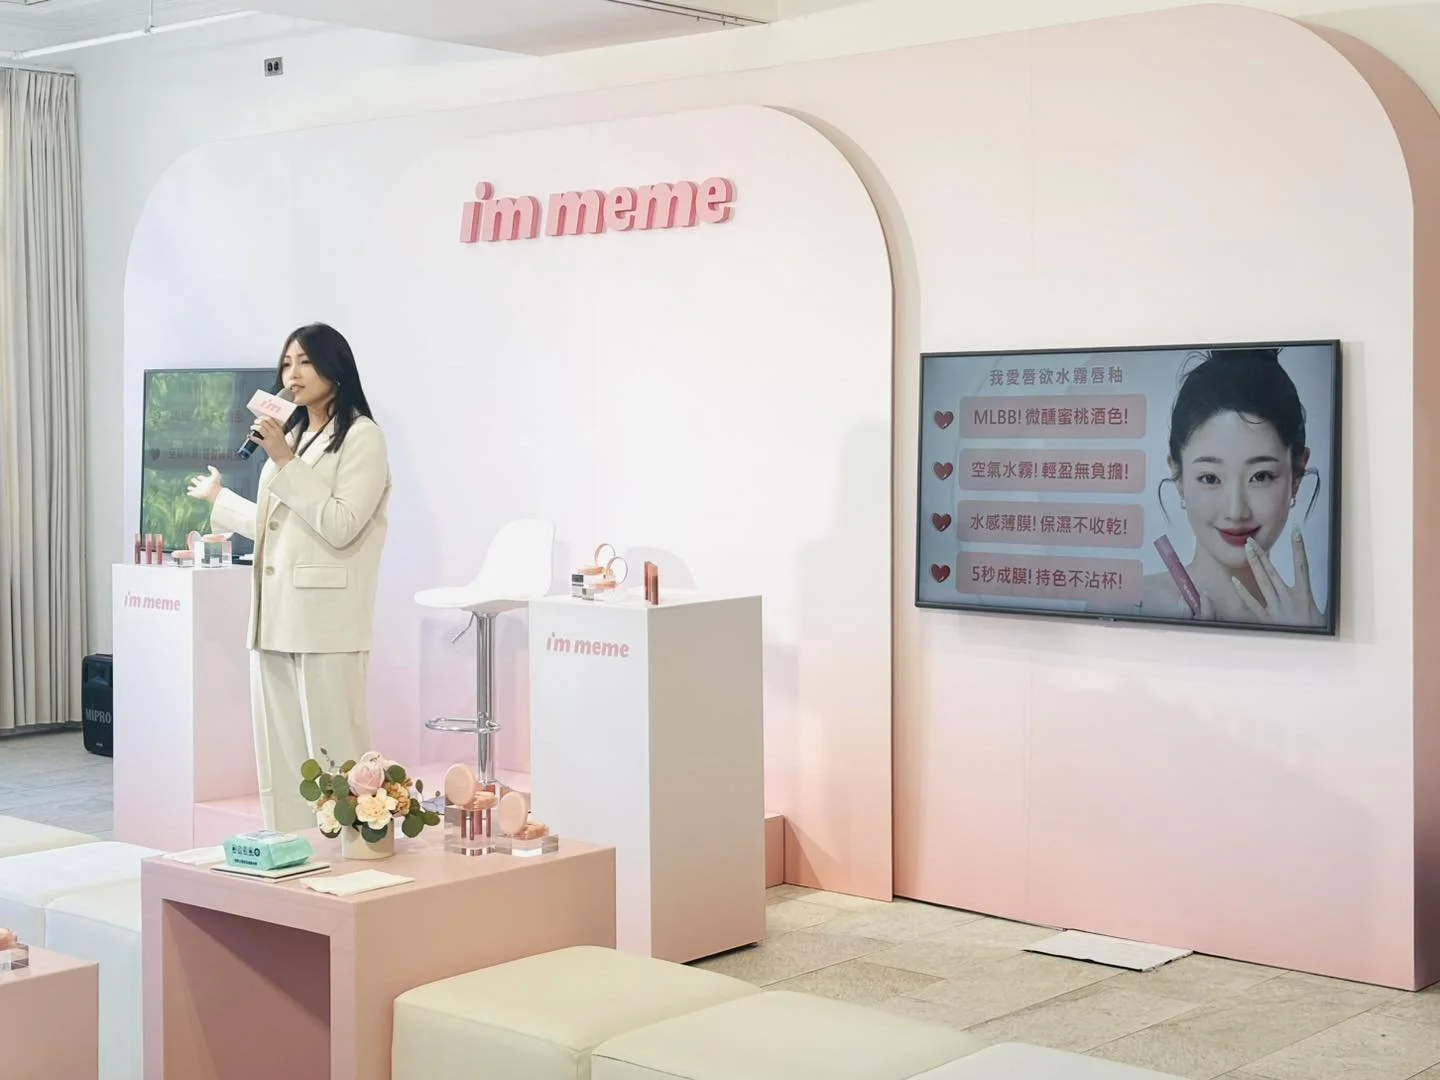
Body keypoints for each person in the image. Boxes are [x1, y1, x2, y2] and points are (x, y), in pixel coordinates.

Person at [187, 323, 391, 830]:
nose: (291, 374)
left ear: (334, 368)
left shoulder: (363, 437)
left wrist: (283, 459)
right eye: (286, 363)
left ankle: (352, 848)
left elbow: (341, 525)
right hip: (275, 613)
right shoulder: (296, 434)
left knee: (334, 747)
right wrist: (221, 501)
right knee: (280, 752)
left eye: (303, 362)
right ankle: (291, 847)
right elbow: (279, 525)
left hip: (327, 618)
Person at [1141, 347, 1325, 627]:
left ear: (1296, 475)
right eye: (1210, 478)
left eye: (1261, 476)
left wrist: (1311, 644)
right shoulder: (1135, 603)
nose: (1236, 511)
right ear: (1178, 475)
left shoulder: (1308, 624)